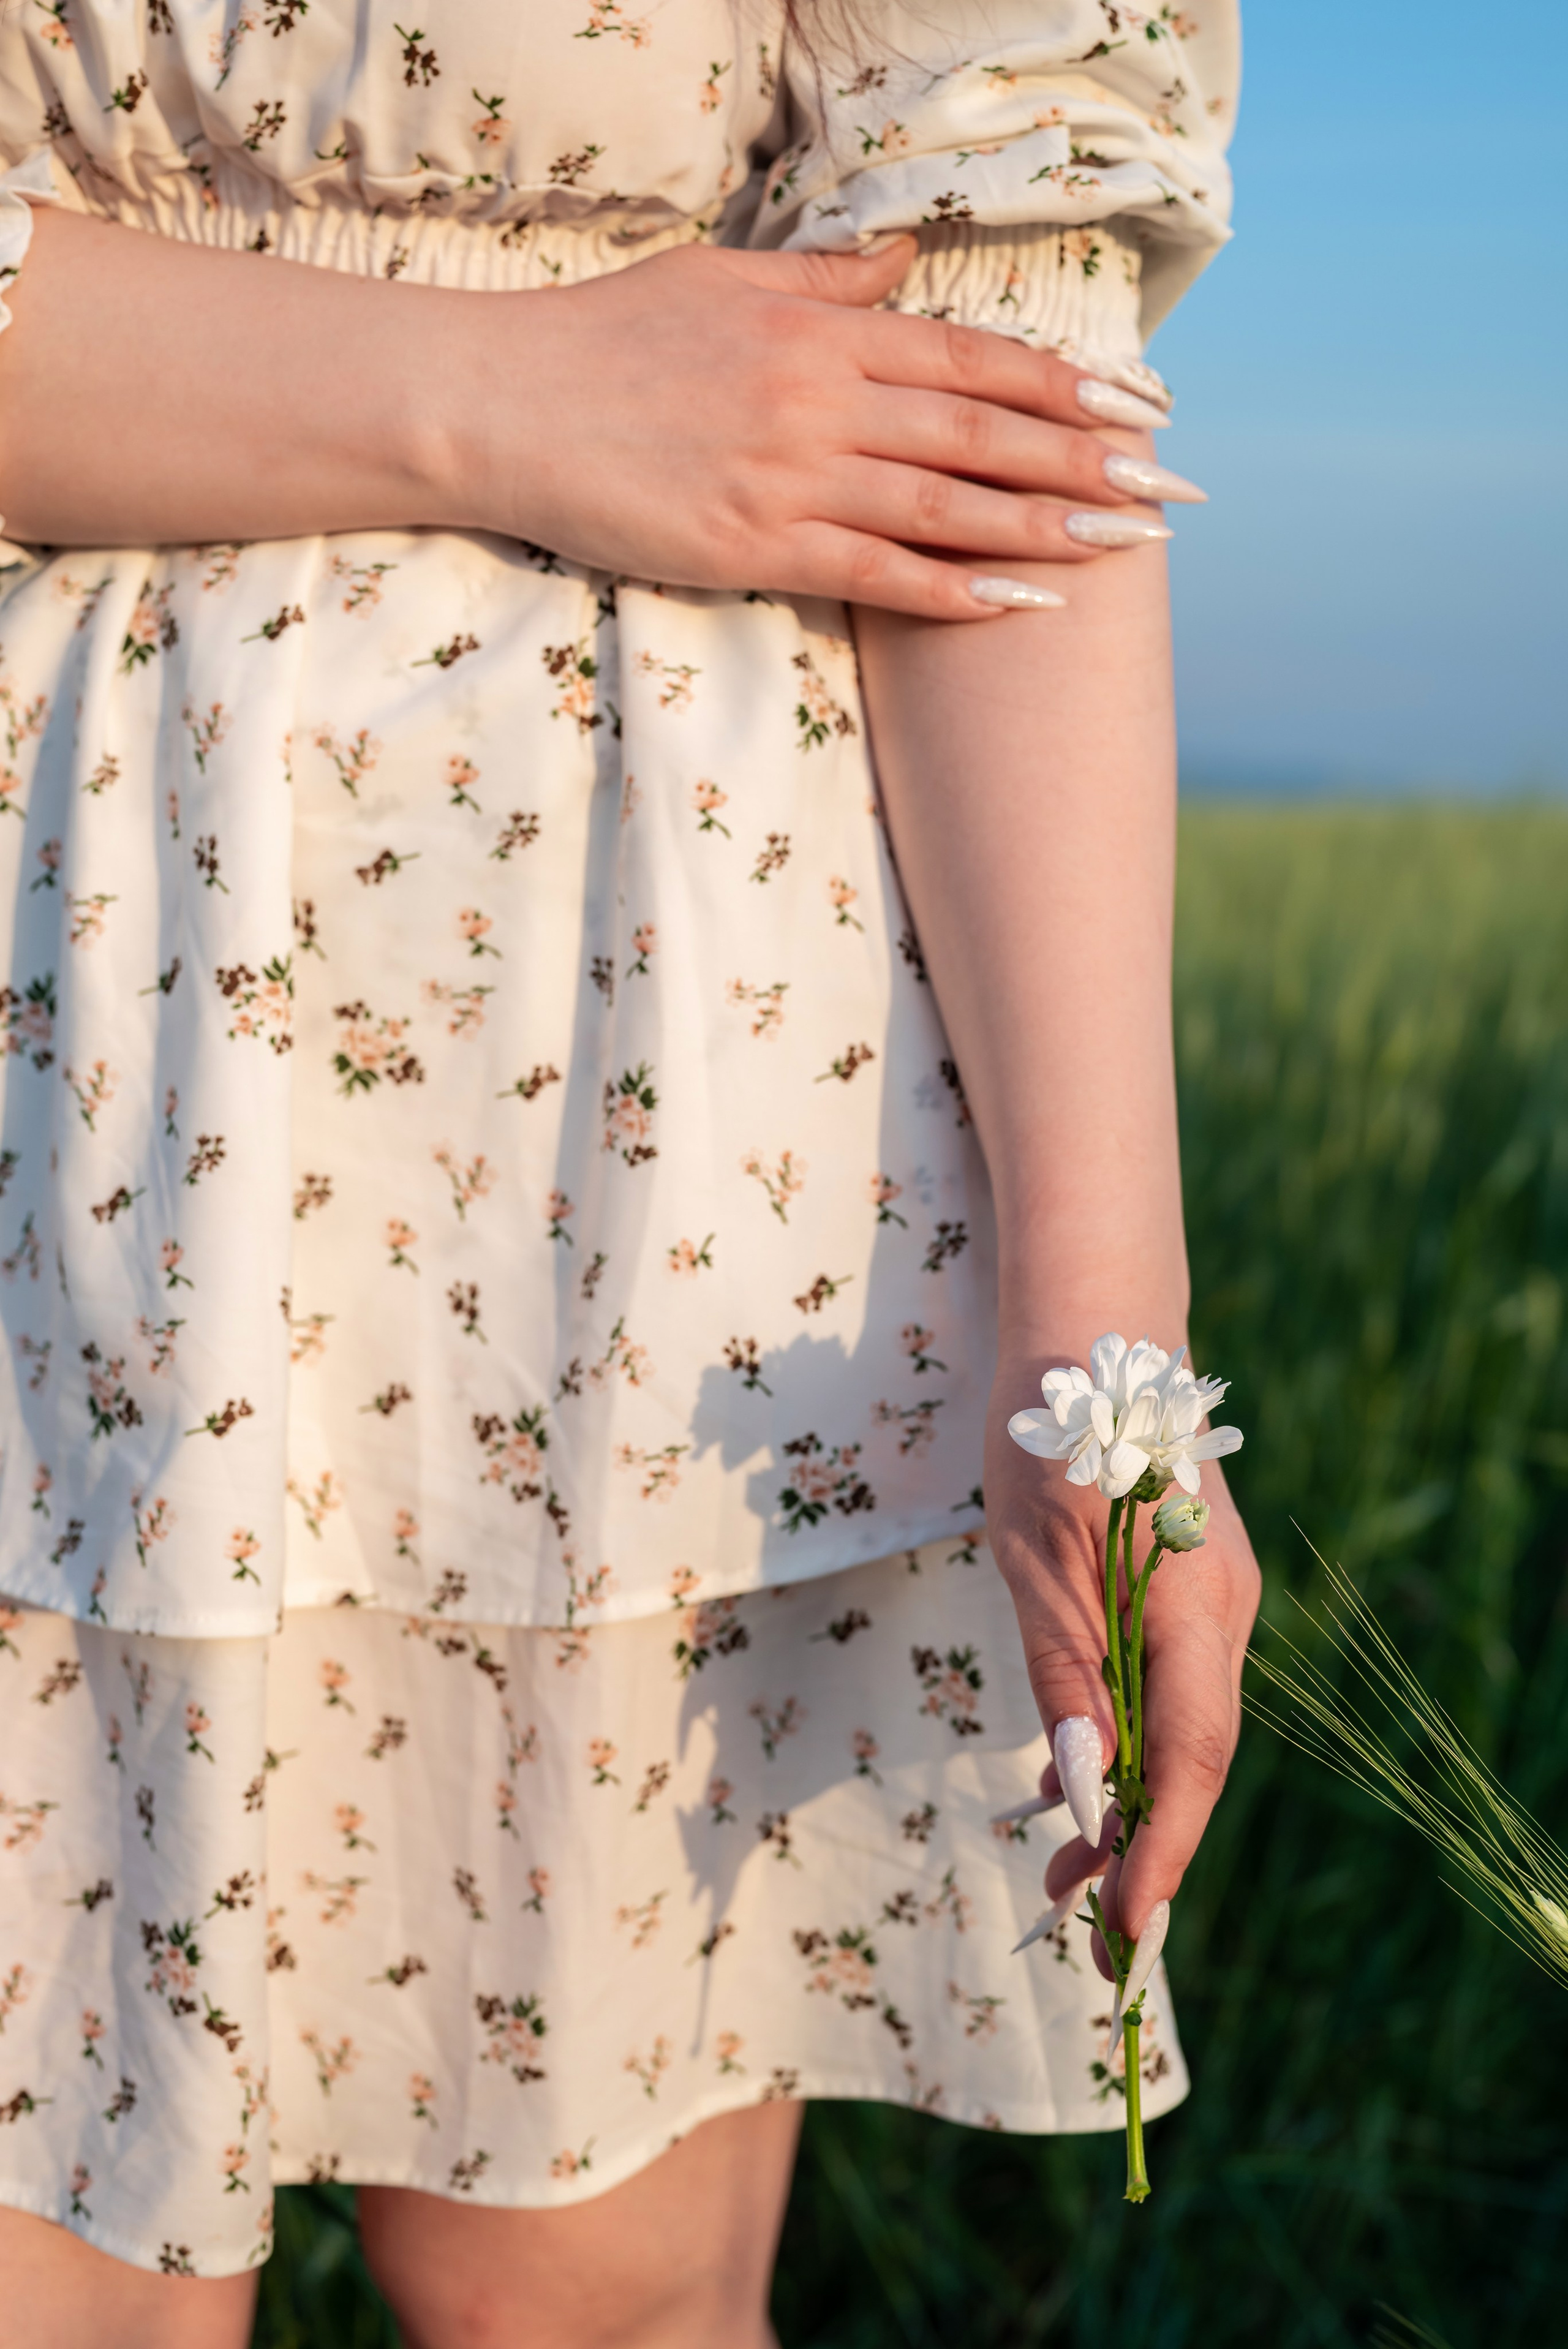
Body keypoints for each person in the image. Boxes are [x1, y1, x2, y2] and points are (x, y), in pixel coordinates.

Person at [0, 3, 1258, 2343]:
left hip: (645, 1162)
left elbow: (999, 407)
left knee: (591, 2305)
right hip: (45, 1105)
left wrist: (1108, 1362)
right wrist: (528, 395)